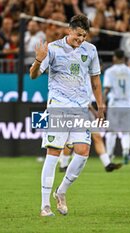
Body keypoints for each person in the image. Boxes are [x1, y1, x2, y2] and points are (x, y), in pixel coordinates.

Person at [30, 14, 104, 217]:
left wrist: (101, 105)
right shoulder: (53, 48)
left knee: (83, 151)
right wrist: (38, 60)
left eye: (84, 36)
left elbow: (95, 80)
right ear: (69, 30)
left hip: (80, 108)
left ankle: (61, 192)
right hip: (58, 107)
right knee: (53, 153)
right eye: (78, 35)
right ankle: (45, 206)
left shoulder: (90, 50)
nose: (81, 39)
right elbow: (33, 75)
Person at [103, 50, 130, 165]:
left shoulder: (109, 71)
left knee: (111, 132)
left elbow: (107, 88)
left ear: (114, 58)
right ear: (124, 58)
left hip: (114, 104)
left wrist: (102, 102)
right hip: (128, 105)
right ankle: (125, 151)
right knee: (126, 132)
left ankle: (109, 155)